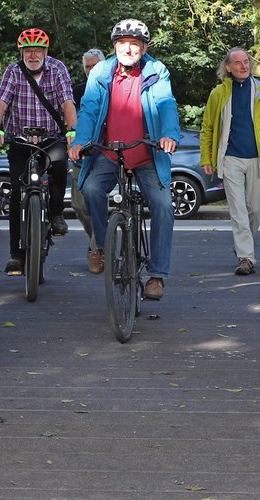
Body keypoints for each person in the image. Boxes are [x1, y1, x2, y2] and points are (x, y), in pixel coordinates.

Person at [69, 19, 180, 301]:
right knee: (91, 189)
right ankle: (102, 246)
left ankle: (157, 275)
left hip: (145, 152)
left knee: (163, 206)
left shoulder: (156, 71)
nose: (128, 49)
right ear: (114, 46)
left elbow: (166, 103)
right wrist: (81, 141)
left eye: (134, 44)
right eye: (122, 44)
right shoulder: (102, 72)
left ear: (144, 48)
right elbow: (90, 108)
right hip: (109, 151)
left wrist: (168, 135)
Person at [0, 28, 78, 273]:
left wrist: (73, 130)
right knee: (17, 192)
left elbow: (67, 101)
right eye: (28, 50)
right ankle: (16, 254)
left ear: (46, 52)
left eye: (37, 50)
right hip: (21, 140)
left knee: (59, 165)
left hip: (50, 137)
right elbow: (1, 103)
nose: (33, 55)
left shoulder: (57, 69)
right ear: (22, 52)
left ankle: (57, 214)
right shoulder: (13, 72)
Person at [199, 48, 260, 276]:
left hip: (259, 159)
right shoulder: (219, 93)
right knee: (238, 210)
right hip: (230, 159)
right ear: (228, 67)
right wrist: (206, 157)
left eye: (246, 61)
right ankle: (246, 257)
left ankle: (243, 245)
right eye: (237, 63)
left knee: (253, 210)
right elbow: (207, 128)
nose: (243, 66)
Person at [70, 49, 106, 243]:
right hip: (82, 153)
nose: (91, 70)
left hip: (107, 153)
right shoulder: (76, 92)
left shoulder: (112, 87)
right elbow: (70, 120)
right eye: (88, 67)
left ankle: (98, 248)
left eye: (95, 66)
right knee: (79, 206)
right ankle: (98, 238)